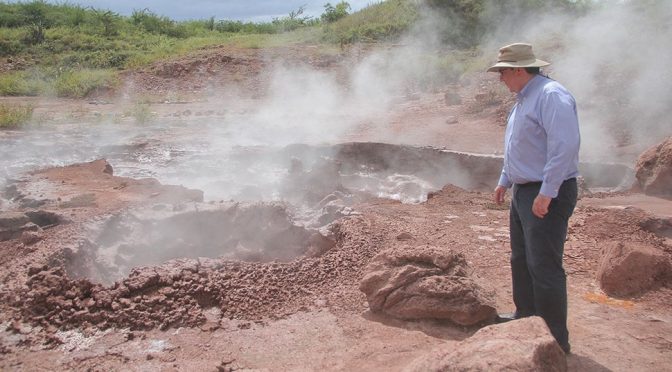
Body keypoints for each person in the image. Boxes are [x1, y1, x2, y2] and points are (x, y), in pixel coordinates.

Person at [488, 43, 580, 354]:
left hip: (545, 191)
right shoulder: (522, 100)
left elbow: (564, 147)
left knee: (544, 266)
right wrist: (505, 180)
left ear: (518, 69)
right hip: (524, 190)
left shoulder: (551, 95)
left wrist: (547, 192)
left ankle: (555, 341)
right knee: (521, 259)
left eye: (503, 72)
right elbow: (518, 147)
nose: (500, 78)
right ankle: (526, 317)